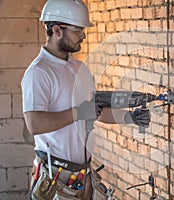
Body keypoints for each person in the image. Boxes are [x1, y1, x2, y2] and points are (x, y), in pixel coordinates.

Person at [21, 0, 150, 199]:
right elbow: (35, 124)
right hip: (56, 177)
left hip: (83, 174)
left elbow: (94, 111)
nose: (83, 35)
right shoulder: (39, 72)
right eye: (78, 30)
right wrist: (79, 112)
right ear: (57, 30)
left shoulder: (78, 68)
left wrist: (130, 117)